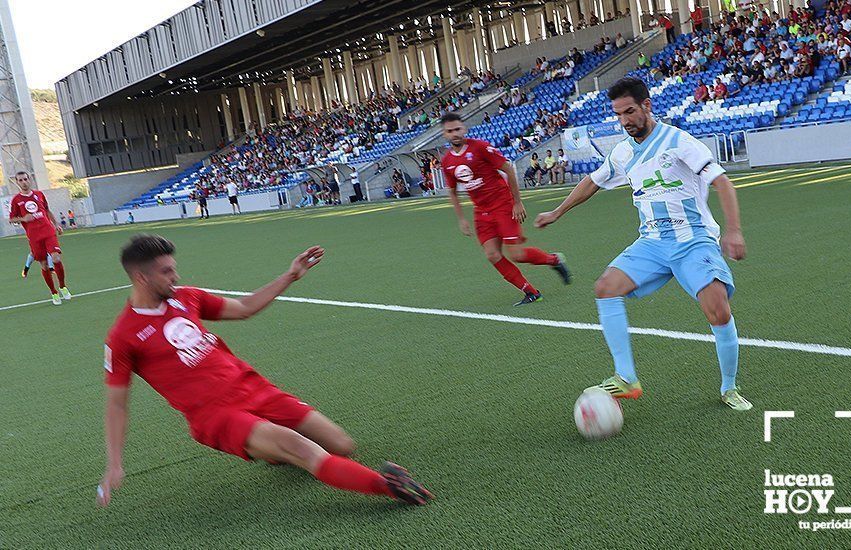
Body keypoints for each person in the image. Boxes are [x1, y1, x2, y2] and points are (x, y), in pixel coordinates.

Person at [97, 234, 432, 508]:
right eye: (167, 272)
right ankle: (388, 486)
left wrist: (290, 275)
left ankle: (273, 449)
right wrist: (115, 462)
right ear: (142, 277)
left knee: (342, 445)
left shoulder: (188, 297)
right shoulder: (123, 336)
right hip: (216, 415)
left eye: (174, 269)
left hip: (252, 388)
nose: (176, 277)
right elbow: (116, 404)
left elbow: (243, 309)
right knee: (301, 449)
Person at [534, 77, 752, 412]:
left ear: (647, 105)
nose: (625, 121)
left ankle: (729, 387)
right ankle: (626, 378)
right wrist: (558, 212)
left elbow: (723, 183)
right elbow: (592, 182)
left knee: (718, 308)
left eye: (630, 111)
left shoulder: (680, 141)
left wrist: (733, 230)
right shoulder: (622, 152)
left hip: (692, 240)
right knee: (606, 287)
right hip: (651, 242)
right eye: (619, 114)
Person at [439, 113, 571, 306]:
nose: (455, 134)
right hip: (481, 212)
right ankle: (531, 292)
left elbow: (508, 169)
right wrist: (461, 219)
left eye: (457, 129)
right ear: (445, 134)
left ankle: (554, 260)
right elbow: (452, 191)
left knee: (517, 255)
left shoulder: (481, 147)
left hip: (502, 205)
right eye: (450, 131)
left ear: (464, 129)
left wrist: (517, 202)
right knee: (492, 255)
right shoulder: (447, 162)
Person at [7, 172, 71, 305]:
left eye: (25, 179)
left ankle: (63, 287)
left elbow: (47, 210)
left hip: (48, 231)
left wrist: (56, 224)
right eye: (20, 180)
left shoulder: (39, 194)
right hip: (34, 236)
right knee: (44, 265)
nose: (24, 182)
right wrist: (23, 218)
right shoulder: (16, 200)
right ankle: (54, 292)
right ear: (17, 183)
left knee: (56, 258)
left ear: (29, 180)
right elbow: (11, 219)